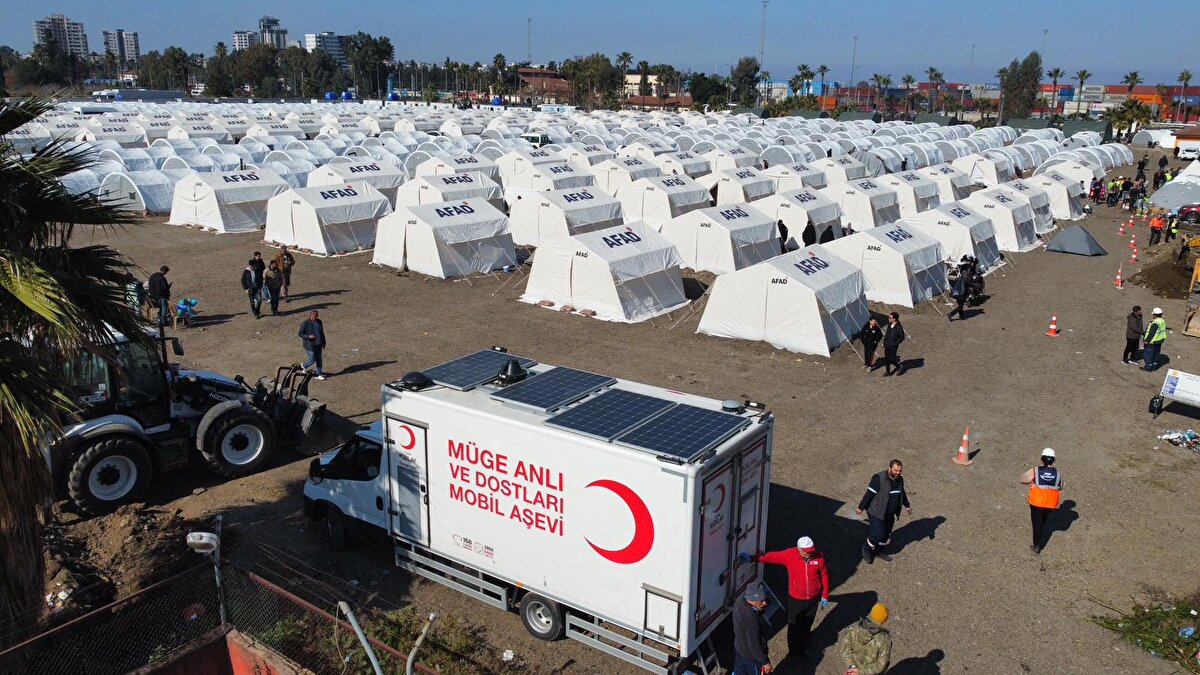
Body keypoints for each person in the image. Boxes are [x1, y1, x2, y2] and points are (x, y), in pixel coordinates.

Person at [741, 536, 829, 661]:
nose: (810, 553)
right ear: (799, 549)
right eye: (807, 551)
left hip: (813, 599)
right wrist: (753, 558)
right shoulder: (790, 555)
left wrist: (825, 594)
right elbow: (771, 557)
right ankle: (793, 651)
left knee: (807, 623)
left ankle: (803, 646)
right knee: (794, 626)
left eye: (811, 551)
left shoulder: (819, 556)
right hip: (796, 600)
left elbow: (824, 574)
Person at [855, 460, 911, 563]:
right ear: (889, 468)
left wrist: (907, 505)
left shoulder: (899, 480)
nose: (897, 473)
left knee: (886, 534)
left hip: (889, 513)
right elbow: (869, 494)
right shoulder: (878, 478)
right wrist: (860, 507)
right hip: (876, 511)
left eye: (900, 471)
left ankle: (878, 551)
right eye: (895, 470)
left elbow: (901, 492)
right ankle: (866, 547)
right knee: (878, 533)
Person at [1020, 449, 1062, 554]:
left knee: (1036, 524)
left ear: (1042, 459)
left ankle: (1037, 546)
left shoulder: (1036, 470)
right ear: (1054, 460)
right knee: (1042, 520)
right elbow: (1061, 486)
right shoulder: (1058, 473)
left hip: (1037, 502)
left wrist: (1032, 482)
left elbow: (1023, 479)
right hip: (1051, 503)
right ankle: (1040, 534)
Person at [837, 603, 893, 675]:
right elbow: (880, 665)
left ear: (872, 613)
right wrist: (860, 672)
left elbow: (844, 650)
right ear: (884, 620)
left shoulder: (854, 628)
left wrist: (853, 667)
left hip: (853, 671)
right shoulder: (884, 639)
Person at [732, 585, 773, 675]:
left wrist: (760, 610)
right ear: (753, 601)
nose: (765, 603)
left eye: (765, 599)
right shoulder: (751, 619)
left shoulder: (739, 602)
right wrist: (765, 662)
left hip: (739, 648)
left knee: (739, 671)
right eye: (761, 601)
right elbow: (754, 644)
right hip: (751, 657)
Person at [299, 310, 327, 380]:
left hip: (319, 344)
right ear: (310, 316)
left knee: (319, 360)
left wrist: (323, 342)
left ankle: (318, 374)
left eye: (317, 316)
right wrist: (308, 337)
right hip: (310, 345)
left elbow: (321, 333)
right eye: (315, 316)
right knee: (312, 359)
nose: (316, 318)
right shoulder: (305, 323)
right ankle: (303, 365)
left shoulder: (319, 322)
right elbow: (300, 333)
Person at [1142, 307, 1167, 372]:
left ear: (1155, 315)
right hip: (1159, 341)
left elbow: (1151, 333)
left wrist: (1147, 341)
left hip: (1152, 342)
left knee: (1148, 355)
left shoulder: (1155, 323)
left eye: (1153, 314)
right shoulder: (1162, 321)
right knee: (1156, 354)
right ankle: (1154, 367)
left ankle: (1148, 368)